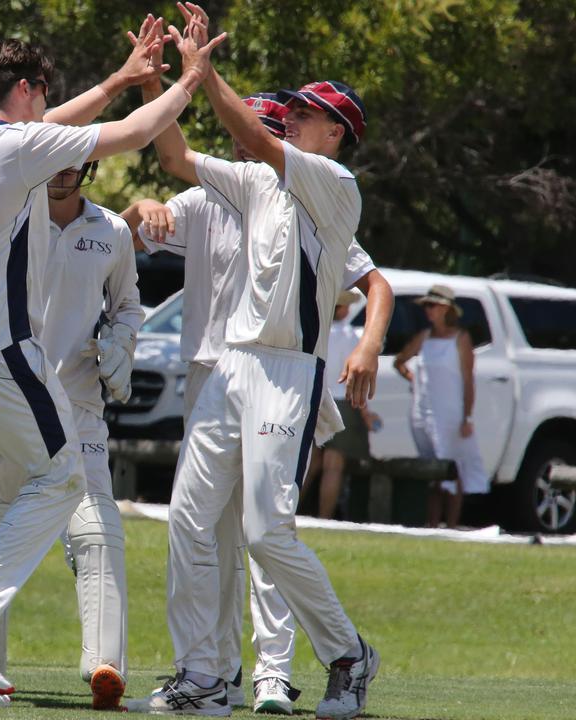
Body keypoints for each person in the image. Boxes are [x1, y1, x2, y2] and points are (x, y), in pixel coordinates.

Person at [0, 17, 224, 706]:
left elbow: (54, 124)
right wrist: (191, 78)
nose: (44, 106)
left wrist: (117, 79)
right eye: (41, 94)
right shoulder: (20, 146)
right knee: (64, 480)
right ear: (25, 88)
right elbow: (135, 135)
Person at [126, 5, 383, 718]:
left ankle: (348, 655)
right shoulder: (258, 182)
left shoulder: (334, 186)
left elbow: (252, 136)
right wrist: (159, 84)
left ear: (337, 134)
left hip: (286, 374)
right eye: (292, 109)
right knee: (189, 519)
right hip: (232, 366)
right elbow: (175, 158)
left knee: (266, 531)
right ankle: (205, 677)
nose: (293, 117)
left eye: (308, 113)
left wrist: (203, 74)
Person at [0, 160, 144, 711]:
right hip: (9, 396)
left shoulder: (111, 231)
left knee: (96, 530)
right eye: (54, 164)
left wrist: (121, 343)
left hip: (77, 405)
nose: (61, 175)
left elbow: (126, 305)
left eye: (73, 167)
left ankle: (106, 667)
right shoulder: (8, 216)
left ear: (89, 169)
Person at [394, 284, 488, 528]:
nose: (428, 310)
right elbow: (400, 361)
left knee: (451, 468)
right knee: (432, 471)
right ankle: (433, 524)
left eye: (432, 305)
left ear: (446, 308)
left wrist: (467, 417)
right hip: (422, 413)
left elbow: (468, 381)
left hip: (449, 414)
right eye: (426, 305)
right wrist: (414, 380)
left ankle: (452, 524)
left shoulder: (461, 339)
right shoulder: (424, 337)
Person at [303, 290, 382, 520]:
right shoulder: (349, 336)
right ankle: (325, 518)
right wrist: (365, 411)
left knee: (311, 461)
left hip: (315, 399)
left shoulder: (316, 330)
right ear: (344, 308)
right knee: (333, 465)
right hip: (341, 403)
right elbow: (355, 376)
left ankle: (290, 512)